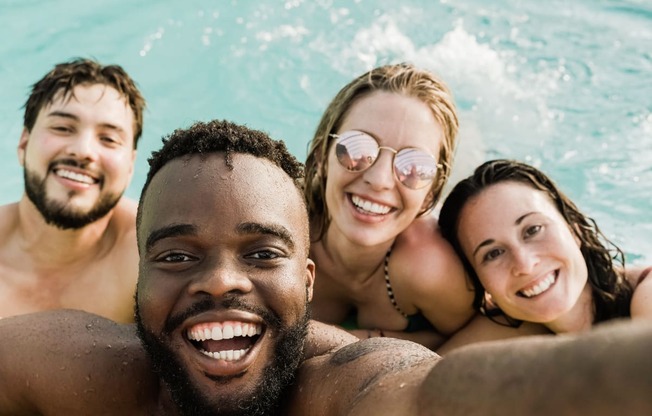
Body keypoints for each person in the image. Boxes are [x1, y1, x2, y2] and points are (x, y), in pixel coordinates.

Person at [1, 120, 652, 415]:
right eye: (177, 255)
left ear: (308, 281)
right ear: (137, 283)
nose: (223, 280)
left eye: (263, 255)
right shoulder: (63, 370)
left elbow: (438, 394)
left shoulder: (341, 381)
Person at [304, 63, 474, 349]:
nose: (380, 180)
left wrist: (358, 342)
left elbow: (470, 336)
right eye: (358, 148)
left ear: (431, 192)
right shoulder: (284, 233)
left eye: (415, 166)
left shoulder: (430, 267)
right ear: (322, 155)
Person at [437, 159, 652, 351]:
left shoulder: (645, 296)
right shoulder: (512, 328)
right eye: (493, 253)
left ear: (574, 229)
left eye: (533, 230)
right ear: (483, 286)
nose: (525, 264)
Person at [0, 58, 146, 323]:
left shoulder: (151, 258)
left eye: (109, 139)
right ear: (23, 144)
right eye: (62, 128)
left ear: (130, 167)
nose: (83, 151)